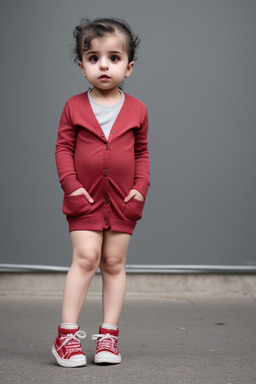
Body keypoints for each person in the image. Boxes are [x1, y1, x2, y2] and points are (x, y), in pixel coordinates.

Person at [52, 17, 150, 367]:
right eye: (93, 58)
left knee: (113, 262)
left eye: (113, 57)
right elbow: (63, 149)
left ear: (129, 67)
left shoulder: (137, 110)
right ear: (82, 67)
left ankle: (108, 336)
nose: (103, 65)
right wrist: (72, 186)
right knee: (86, 257)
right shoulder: (74, 107)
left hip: (124, 201)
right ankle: (66, 336)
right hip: (84, 198)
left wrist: (140, 188)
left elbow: (141, 152)